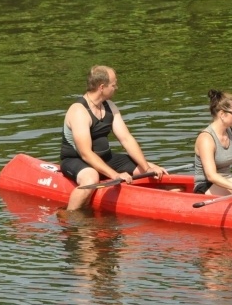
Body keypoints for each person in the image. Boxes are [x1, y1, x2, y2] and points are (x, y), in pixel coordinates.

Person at [60, 65, 166, 210]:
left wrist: (146, 167)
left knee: (152, 170)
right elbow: (86, 153)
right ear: (102, 87)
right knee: (91, 178)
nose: (116, 87)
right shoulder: (79, 111)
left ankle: (165, 199)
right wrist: (114, 175)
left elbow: (126, 139)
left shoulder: (110, 106)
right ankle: (68, 216)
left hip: (106, 158)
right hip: (76, 160)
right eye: (114, 84)